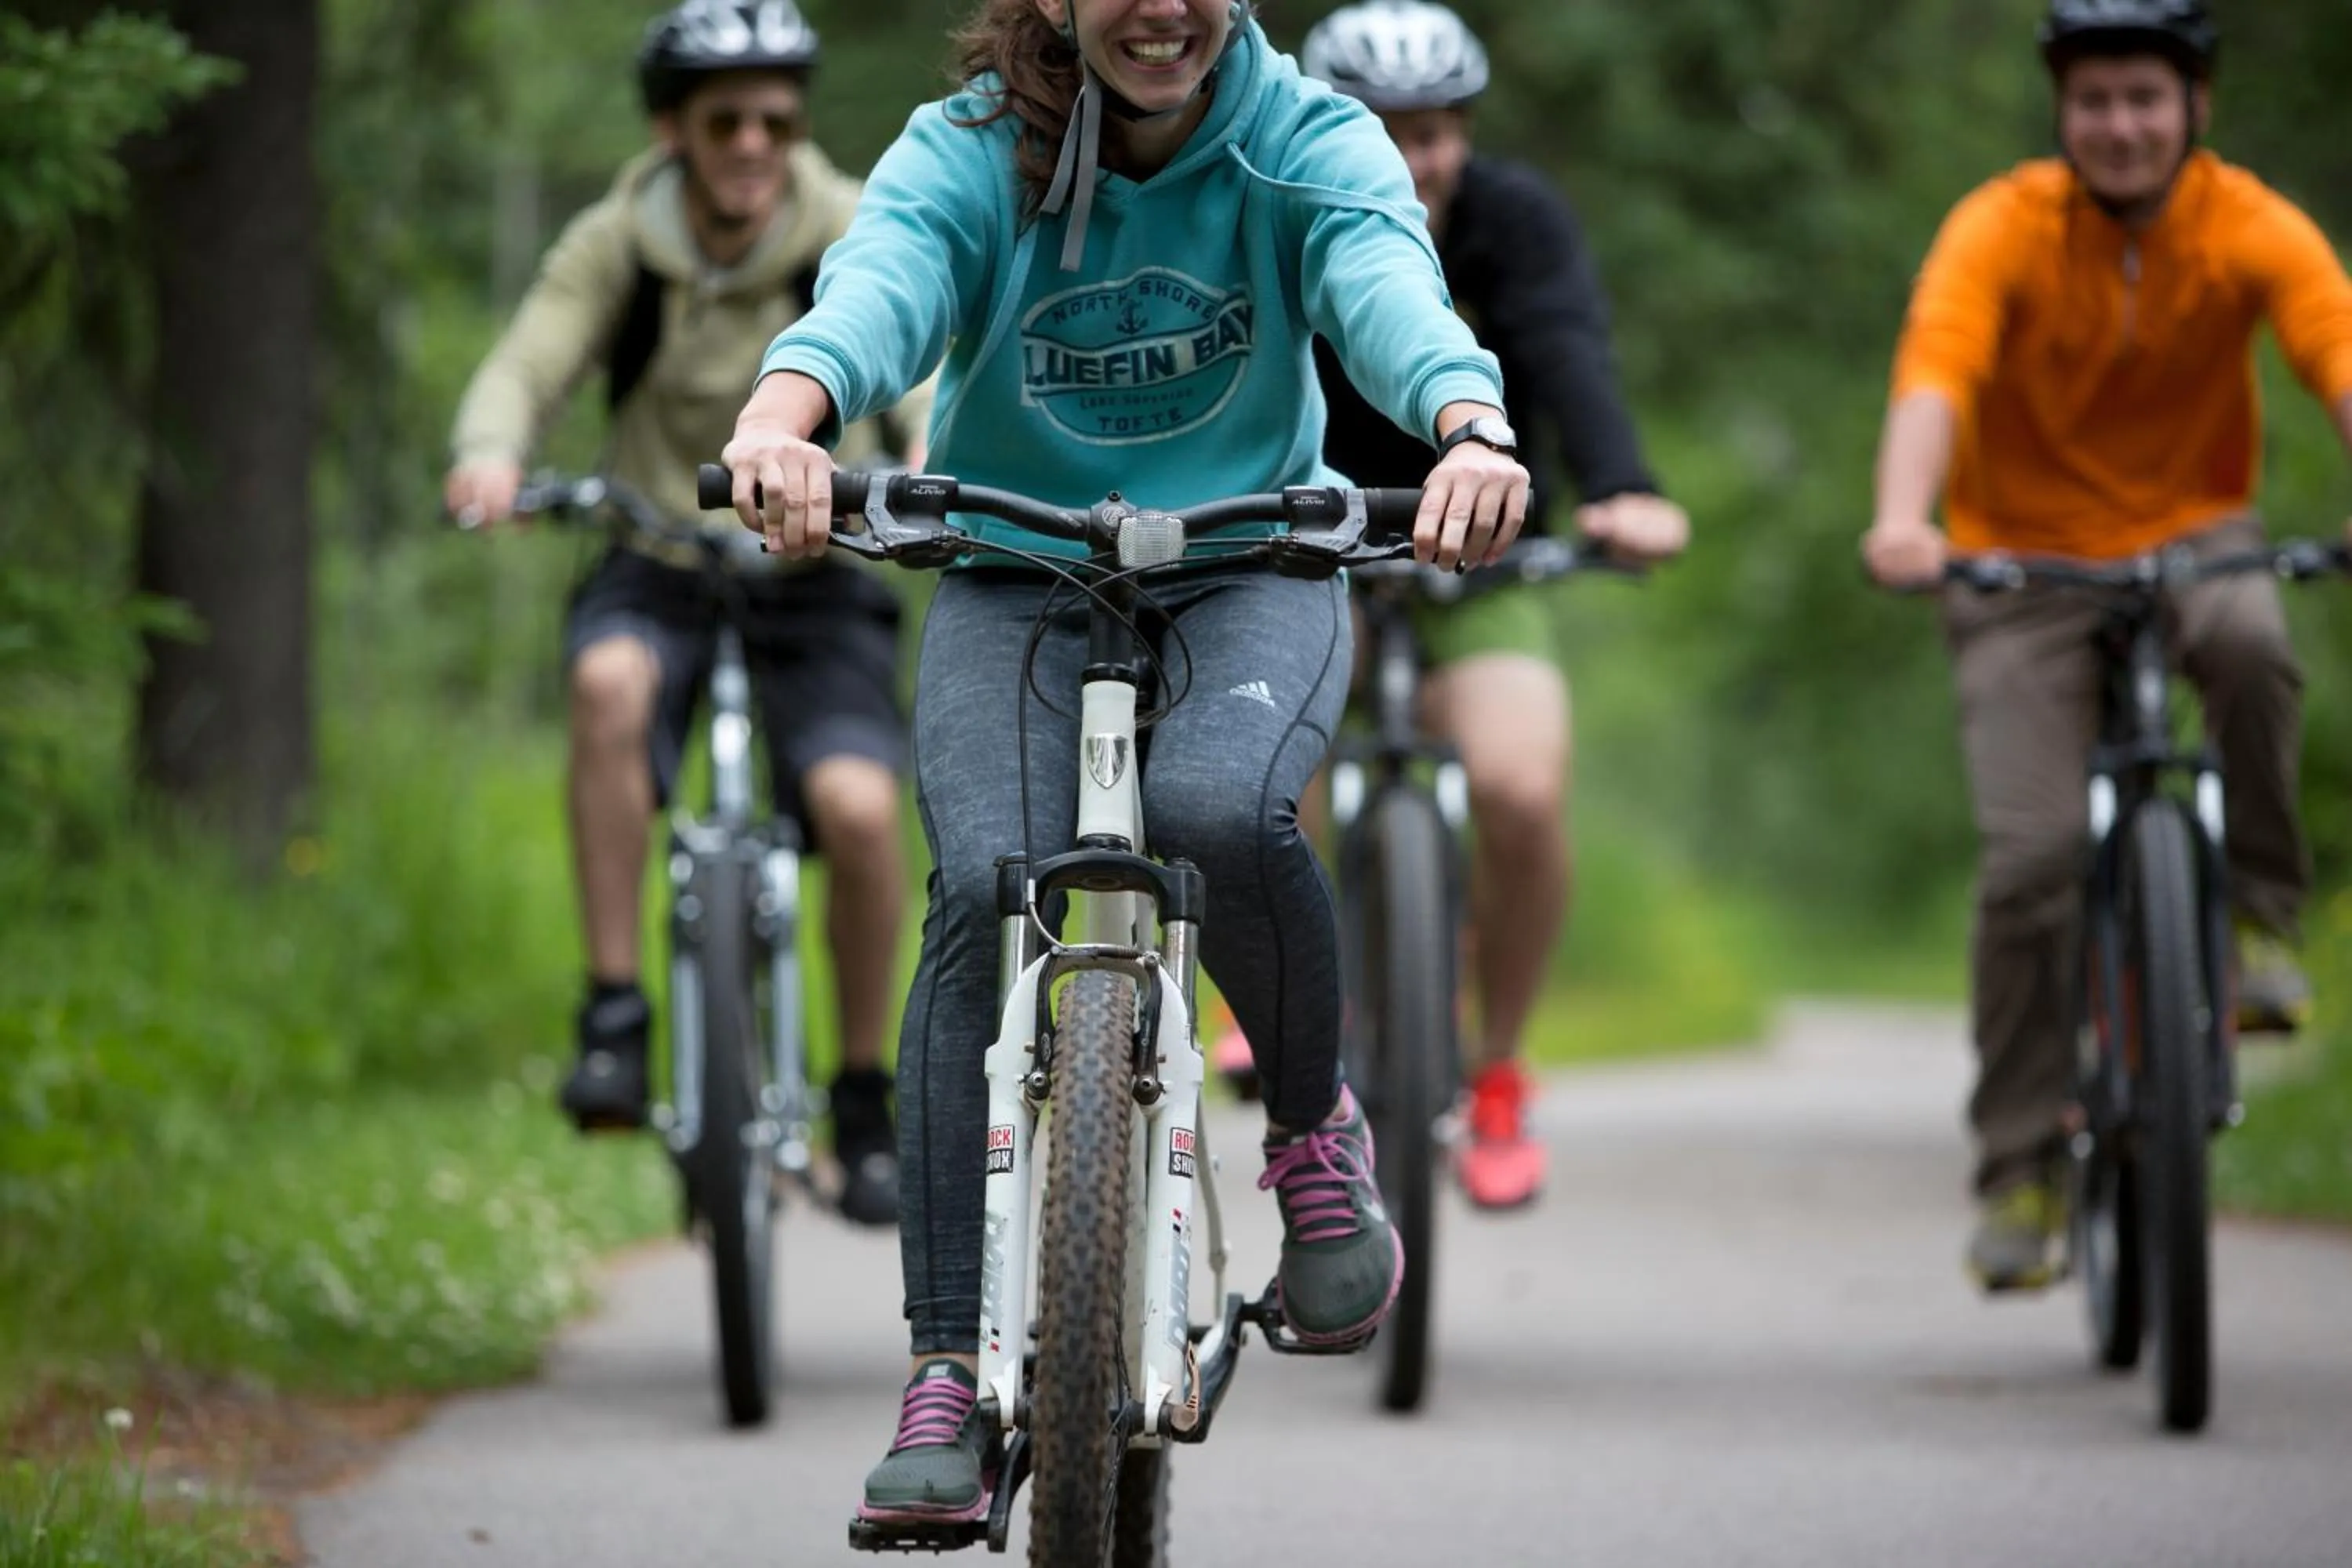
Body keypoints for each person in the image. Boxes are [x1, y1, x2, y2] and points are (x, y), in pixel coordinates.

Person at [720, 0, 1530, 1524]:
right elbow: (884, 279)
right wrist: (788, 415)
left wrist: (1467, 425)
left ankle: (1311, 1138)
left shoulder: (1306, 140)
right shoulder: (973, 145)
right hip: (1014, 562)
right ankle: (946, 1371)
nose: (1158, 6)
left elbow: (1383, 284)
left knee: (1217, 808)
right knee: (980, 896)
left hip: (1251, 563)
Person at [1862, 0, 2352, 1292]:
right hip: (2020, 560)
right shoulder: (2003, 225)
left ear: (2197, 105)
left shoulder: (2250, 225)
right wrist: (1905, 519)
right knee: (2032, 861)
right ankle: (2021, 1167)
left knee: (2251, 641)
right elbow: (1936, 370)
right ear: (2061, 113)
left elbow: (2336, 343)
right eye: (2094, 102)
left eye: (2146, 98)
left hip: (2201, 534)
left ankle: (2258, 921)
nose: (2121, 126)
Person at [443, 0, 933, 1227]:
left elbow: (921, 360)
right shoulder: (622, 238)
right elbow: (529, 358)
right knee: (609, 684)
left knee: (862, 809)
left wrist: (927, 461)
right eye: (726, 120)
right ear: (673, 130)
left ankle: (861, 1095)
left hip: (820, 562)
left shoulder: (855, 223)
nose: (756, 144)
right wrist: (493, 452)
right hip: (656, 551)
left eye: (777, 118)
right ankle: (615, 1015)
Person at [1280, 0, 1690, 1211]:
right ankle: (1283, 996)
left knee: (1518, 786)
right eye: (1388, 132)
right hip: (1315, 549)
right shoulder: (1283, 211)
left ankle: (1498, 1063)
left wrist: (1621, 487)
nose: (1417, 159)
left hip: (1488, 559)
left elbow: (1567, 350)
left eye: (1439, 131)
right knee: (1266, 740)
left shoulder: (1517, 222)